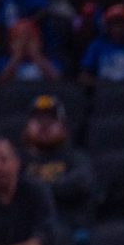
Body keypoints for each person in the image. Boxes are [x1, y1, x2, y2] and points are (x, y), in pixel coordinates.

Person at [21, 95, 94, 231]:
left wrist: (34, 190)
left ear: (63, 127)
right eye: (38, 119)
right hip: (26, 230)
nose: (44, 125)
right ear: (27, 127)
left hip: (67, 228)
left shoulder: (76, 157)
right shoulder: (17, 160)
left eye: (51, 119)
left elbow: (80, 183)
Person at [0, 18, 62, 83]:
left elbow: (60, 81)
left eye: (30, 39)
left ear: (39, 42)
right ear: (10, 44)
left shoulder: (51, 61)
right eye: (19, 39)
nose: (25, 44)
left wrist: (36, 56)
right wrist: (16, 57)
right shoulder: (2, 62)